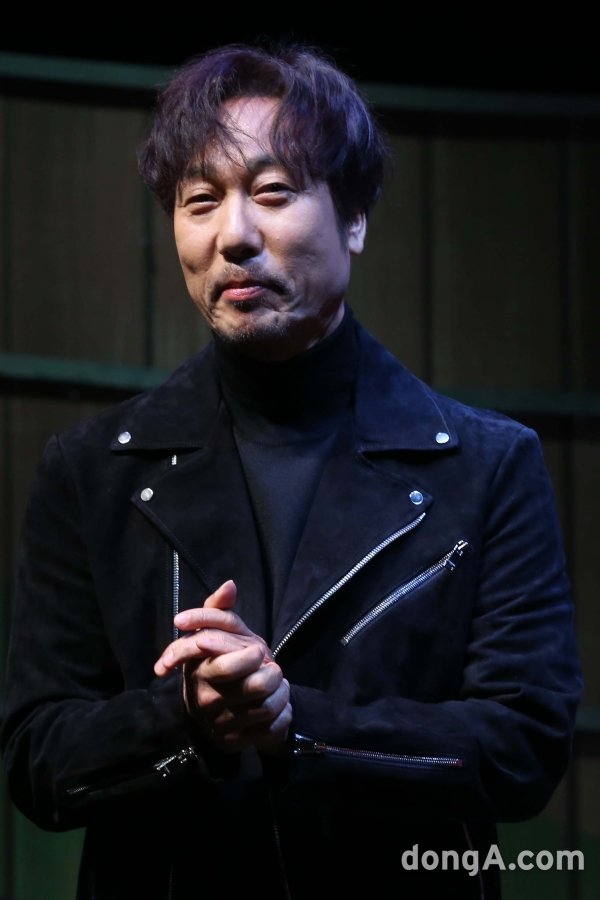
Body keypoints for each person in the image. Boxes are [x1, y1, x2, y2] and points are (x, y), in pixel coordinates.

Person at [1, 42, 582, 900]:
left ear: (354, 219)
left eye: (272, 192)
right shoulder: (92, 472)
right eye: (200, 201)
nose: (233, 235)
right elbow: (37, 761)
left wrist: (296, 722)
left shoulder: (488, 465)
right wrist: (184, 718)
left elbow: (524, 746)